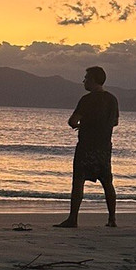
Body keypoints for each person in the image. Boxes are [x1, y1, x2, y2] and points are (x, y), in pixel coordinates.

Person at [55, 66, 118, 228]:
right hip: (104, 147)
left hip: (86, 147)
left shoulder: (86, 100)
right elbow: (115, 121)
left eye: (86, 78)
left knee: (78, 181)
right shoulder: (112, 99)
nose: (83, 81)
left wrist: (82, 124)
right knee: (107, 183)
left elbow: (72, 121)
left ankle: (73, 219)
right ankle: (112, 219)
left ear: (93, 80)